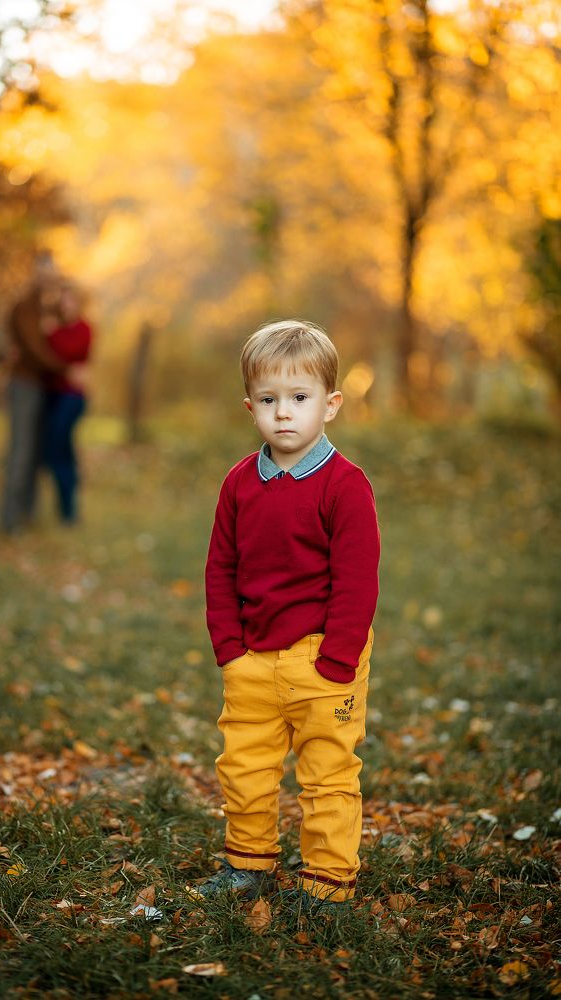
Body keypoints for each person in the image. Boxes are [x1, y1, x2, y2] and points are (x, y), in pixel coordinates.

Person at [198, 319, 380, 912]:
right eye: (270, 400)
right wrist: (228, 646)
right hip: (251, 658)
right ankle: (248, 863)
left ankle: (327, 881)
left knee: (328, 772)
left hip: (323, 657)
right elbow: (220, 567)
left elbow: (357, 581)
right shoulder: (238, 484)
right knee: (244, 766)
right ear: (251, 405)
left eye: (299, 399)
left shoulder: (344, 486)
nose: (284, 414)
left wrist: (339, 656)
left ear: (329, 406)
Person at [0, 254, 67, 535]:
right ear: (34, 274)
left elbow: (70, 324)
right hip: (24, 385)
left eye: (51, 274)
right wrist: (65, 368)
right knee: (21, 451)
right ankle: (10, 519)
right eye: (42, 273)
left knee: (37, 452)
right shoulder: (25, 307)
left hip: (42, 386)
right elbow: (33, 348)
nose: (46, 279)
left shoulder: (47, 307)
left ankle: (28, 514)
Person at [42, 283, 92, 524]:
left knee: (58, 447)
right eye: (63, 301)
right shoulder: (54, 328)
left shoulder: (84, 328)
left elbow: (70, 351)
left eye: (71, 300)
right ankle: (66, 509)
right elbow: (53, 358)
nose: (67, 305)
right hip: (52, 396)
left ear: (78, 302)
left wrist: (51, 335)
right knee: (59, 450)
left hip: (73, 397)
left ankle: (69, 509)